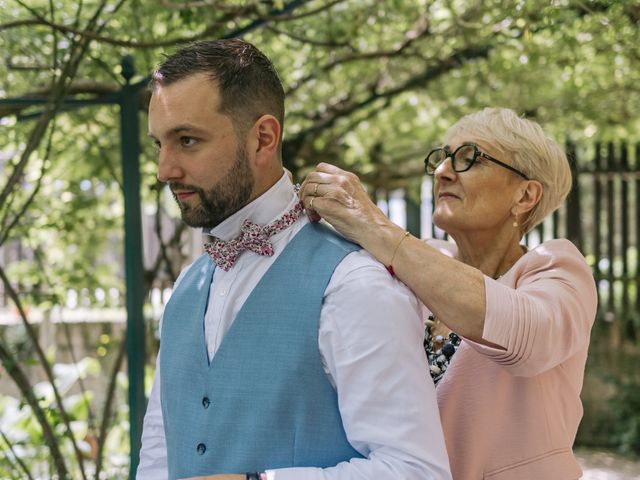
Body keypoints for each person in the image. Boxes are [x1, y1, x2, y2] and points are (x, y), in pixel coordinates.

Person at [136, 39, 451, 480]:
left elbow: (416, 471)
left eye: (187, 140)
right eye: (159, 144)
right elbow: (157, 457)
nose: (164, 169)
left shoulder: (353, 283)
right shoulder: (187, 286)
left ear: (263, 138)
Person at [300, 107, 597, 480]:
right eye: (441, 158)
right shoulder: (425, 261)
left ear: (525, 195)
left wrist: (372, 222)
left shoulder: (555, 266)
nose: (442, 171)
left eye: (469, 158)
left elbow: (527, 339)